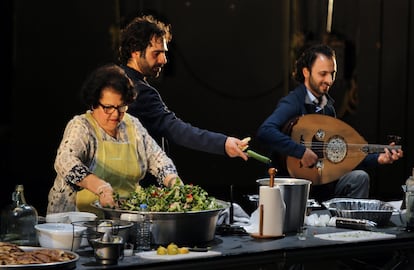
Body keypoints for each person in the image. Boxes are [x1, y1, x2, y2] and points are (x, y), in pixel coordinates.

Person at [256, 44, 403, 202]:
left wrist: (377, 158)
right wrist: (300, 151)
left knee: (359, 178)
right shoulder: (293, 102)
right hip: (291, 186)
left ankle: (347, 224)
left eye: (332, 74)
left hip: (322, 185)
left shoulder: (328, 108)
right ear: (306, 72)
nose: (329, 80)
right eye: (323, 74)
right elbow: (265, 131)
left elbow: (338, 152)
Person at [117, 15, 248, 185]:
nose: (164, 60)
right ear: (135, 52)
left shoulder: (113, 80)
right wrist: (223, 143)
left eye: (164, 53)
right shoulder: (140, 91)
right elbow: (177, 129)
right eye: (156, 53)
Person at [47, 64, 181, 215]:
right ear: (94, 103)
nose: (116, 114)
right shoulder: (82, 126)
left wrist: (174, 184)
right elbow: (65, 161)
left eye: (121, 107)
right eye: (108, 107)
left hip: (124, 220)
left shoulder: (133, 126)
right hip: (76, 223)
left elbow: (158, 159)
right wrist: (101, 187)